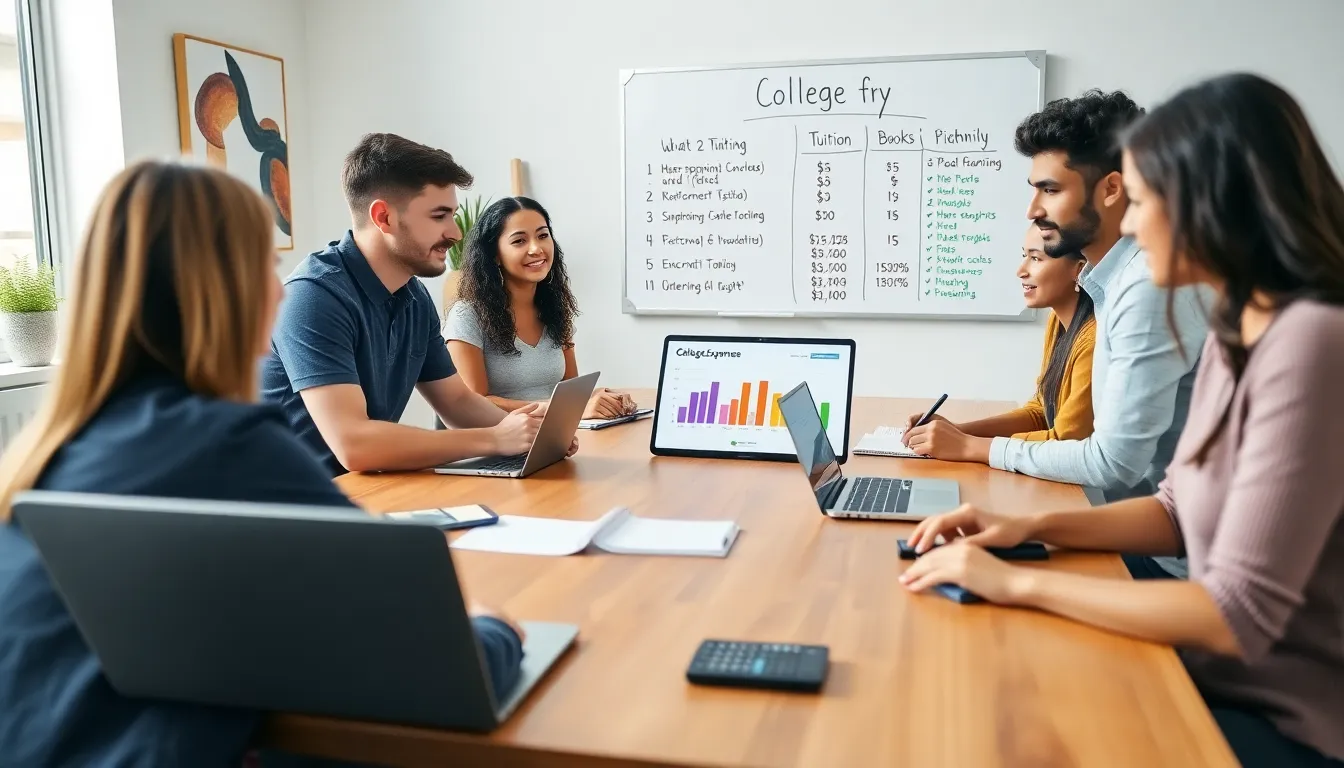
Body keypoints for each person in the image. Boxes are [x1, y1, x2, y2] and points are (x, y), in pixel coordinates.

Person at [0, 160, 525, 766]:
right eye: (263, 266)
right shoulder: (227, 443)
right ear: (212, 289)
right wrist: (494, 632)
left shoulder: (47, 451)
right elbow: (432, 664)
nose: (279, 291)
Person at [901, 73, 1344, 768]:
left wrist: (1017, 580)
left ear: (1212, 201)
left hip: (1289, 719)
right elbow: (1173, 507)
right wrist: (1028, 527)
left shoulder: (1312, 340)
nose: (1130, 224)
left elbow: (1235, 615)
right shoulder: (1237, 325)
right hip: (1213, 672)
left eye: (1141, 201)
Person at [261, 133, 576, 476]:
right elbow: (355, 444)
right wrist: (496, 439)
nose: (456, 233)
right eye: (439, 216)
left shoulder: (413, 295)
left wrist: (536, 436)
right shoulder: (312, 298)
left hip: (365, 491)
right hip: (290, 507)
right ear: (383, 217)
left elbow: (456, 402)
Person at [902, 224, 1095, 453]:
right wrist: (957, 431)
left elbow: (1066, 444)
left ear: (1079, 269)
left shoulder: (1094, 340)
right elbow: (1040, 413)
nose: (1021, 270)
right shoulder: (1058, 322)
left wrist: (966, 445)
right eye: (1024, 256)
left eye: (1036, 258)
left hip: (1087, 488)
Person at [444, 196, 638, 419]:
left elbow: (569, 391)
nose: (536, 248)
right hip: (500, 445)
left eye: (543, 235)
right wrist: (560, 408)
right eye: (519, 241)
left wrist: (598, 397)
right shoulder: (466, 315)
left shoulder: (555, 310)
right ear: (495, 255)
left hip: (555, 439)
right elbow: (474, 403)